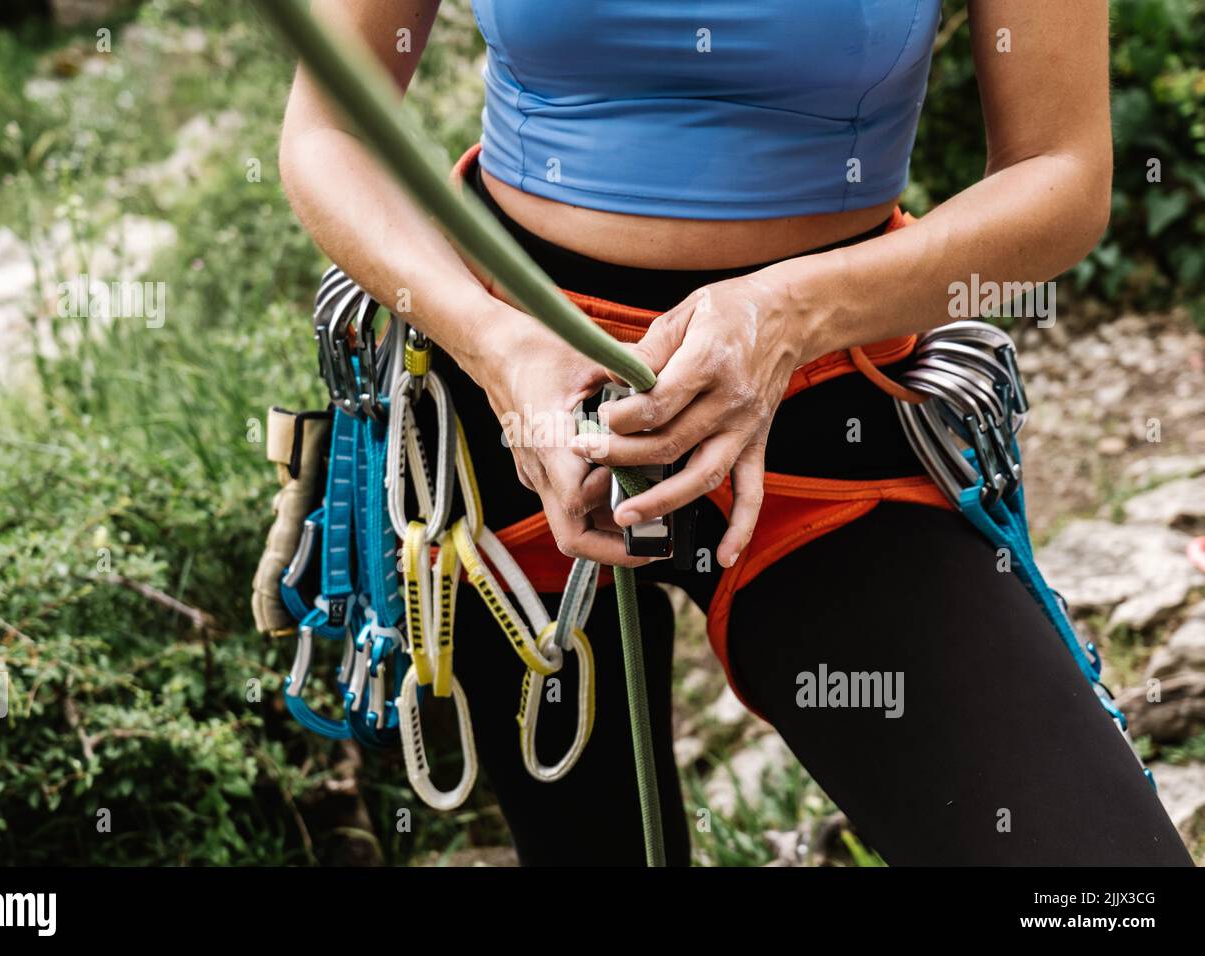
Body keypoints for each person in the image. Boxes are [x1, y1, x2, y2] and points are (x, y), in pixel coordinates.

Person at [279, 0, 1193, 866]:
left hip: (829, 409)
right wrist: (497, 348)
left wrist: (788, 313)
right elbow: (330, 132)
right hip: (514, 414)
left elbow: (1062, 175)